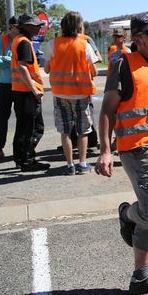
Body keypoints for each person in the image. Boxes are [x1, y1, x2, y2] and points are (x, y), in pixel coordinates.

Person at [95, 13, 148, 295]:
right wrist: (106, 151)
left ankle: (141, 277)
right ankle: (127, 215)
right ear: (138, 39)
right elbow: (107, 110)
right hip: (140, 150)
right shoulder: (123, 65)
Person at [43, 11, 98, 175]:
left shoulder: (53, 44)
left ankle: (70, 166)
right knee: (83, 131)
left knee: (65, 131)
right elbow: (94, 72)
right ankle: (82, 164)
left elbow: (46, 69)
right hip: (81, 94)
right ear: (79, 26)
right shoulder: (85, 45)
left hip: (60, 94)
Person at [11, 14, 50, 172]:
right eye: (36, 25)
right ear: (27, 26)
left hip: (20, 90)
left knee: (24, 127)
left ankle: (22, 159)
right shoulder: (24, 42)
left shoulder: (19, 40)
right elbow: (22, 67)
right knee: (33, 128)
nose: (39, 28)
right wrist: (34, 89)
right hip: (27, 92)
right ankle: (27, 160)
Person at [0, 16, 19, 162]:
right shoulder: (2, 40)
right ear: (11, 27)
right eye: (18, 27)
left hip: (21, 85)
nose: (20, 30)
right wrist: (13, 60)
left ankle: (21, 150)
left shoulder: (24, 40)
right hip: (4, 85)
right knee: (0, 118)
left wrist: (6, 59)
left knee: (24, 120)